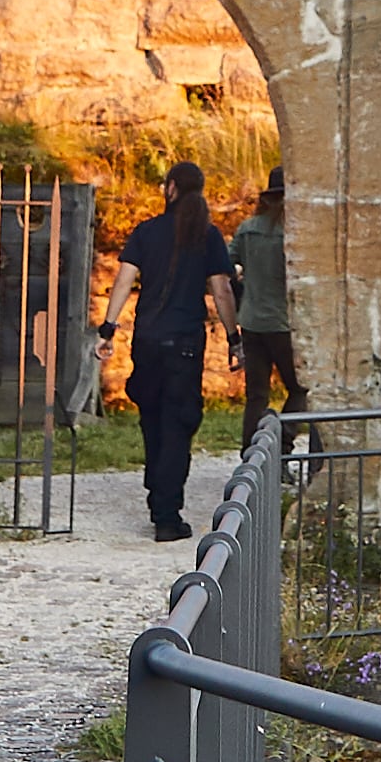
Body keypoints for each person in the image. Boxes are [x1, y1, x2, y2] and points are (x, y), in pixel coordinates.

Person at [113, 158, 232, 542]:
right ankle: (167, 512)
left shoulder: (146, 232)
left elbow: (123, 280)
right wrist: (235, 336)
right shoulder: (208, 236)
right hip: (184, 343)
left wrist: (107, 327)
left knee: (152, 418)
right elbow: (222, 290)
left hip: (146, 340)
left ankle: (157, 495)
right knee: (178, 423)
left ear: (171, 189)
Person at [228, 182, 301, 431]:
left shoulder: (247, 229)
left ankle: (251, 455)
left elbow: (225, 267)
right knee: (300, 389)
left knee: (257, 395)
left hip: (251, 321)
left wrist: (242, 290)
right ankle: (284, 442)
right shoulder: (294, 234)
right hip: (282, 323)